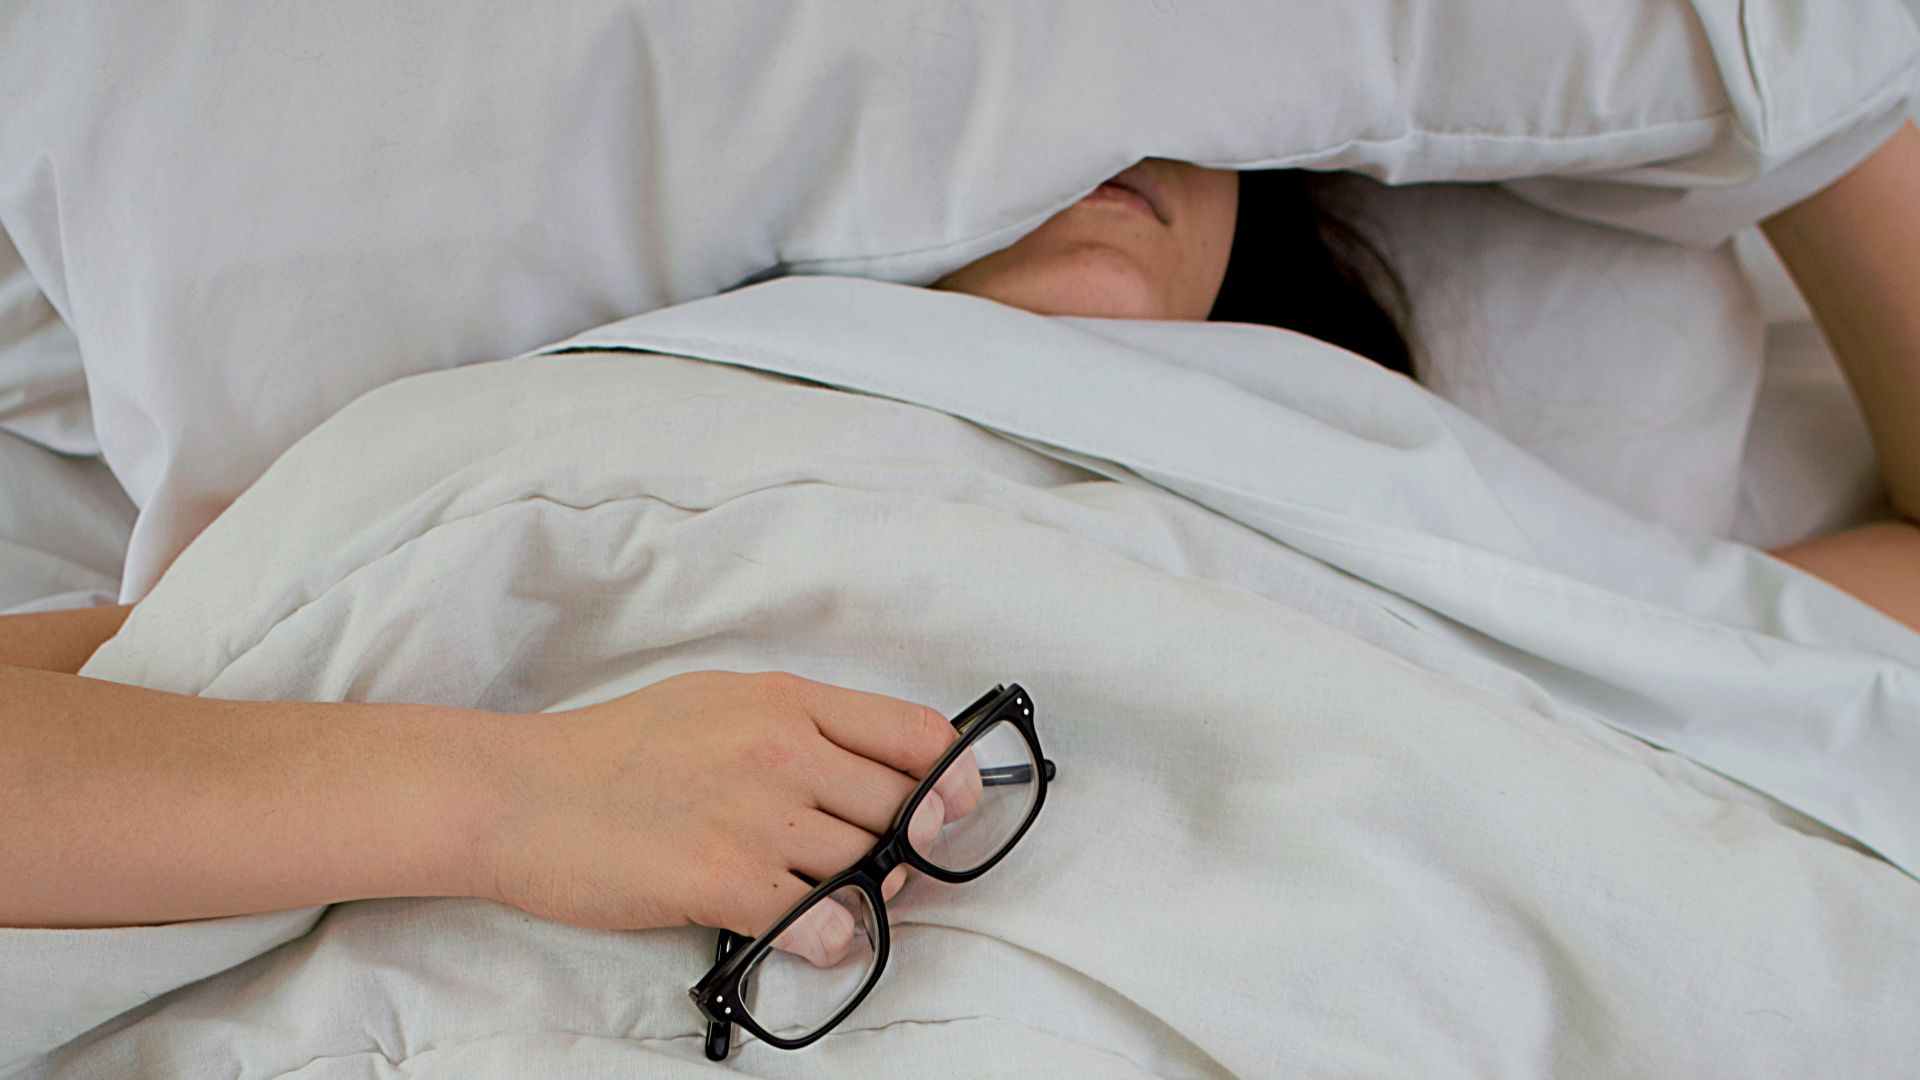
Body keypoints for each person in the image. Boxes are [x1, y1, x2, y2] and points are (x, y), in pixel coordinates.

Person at [2, 125, 1916, 955]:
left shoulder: (1410, 514)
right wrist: (512, 799)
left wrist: (1811, 76)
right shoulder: (590, 448)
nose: (1116, 130)